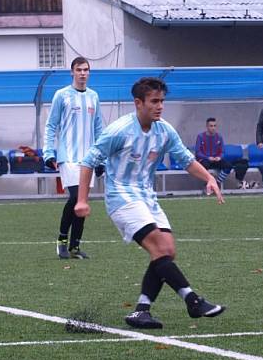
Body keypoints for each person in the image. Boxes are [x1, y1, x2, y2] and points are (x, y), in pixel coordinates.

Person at [74, 77, 225, 330]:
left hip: (147, 197)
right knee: (160, 249)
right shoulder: (119, 130)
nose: (160, 106)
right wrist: (81, 200)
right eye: (154, 101)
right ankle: (193, 300)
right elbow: (88, 161)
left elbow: (186, 160)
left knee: (167, 250)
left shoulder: (164, 130)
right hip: (121, 197)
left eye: (162, 101)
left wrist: (209, 177)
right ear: (138, 103)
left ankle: (141, 311)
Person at [43, 56, 103, 260]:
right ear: (72, 72)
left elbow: (98, 128)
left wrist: (101, 158)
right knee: (76, 197)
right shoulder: (62, 95)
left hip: (89, 159)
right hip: (67, 156)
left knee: (82, 202)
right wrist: (48, 152)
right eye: (79, 70)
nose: (83, 73)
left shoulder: (94, 96)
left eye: (86, 70)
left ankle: (75, 246)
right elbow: (51, 125)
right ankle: (61, 240)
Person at [195, 117, 249, 189]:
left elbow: (222, 151)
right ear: (207, 127)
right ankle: (208, 183)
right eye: (211, 126)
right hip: (205, 160)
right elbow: (198, 152)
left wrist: (219, 157)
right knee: (203, 166)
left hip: (216, 160)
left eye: (214, 126)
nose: (213, 128)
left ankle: (217, 183)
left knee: (228, 166)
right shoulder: (200, 137)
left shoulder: (219, 137)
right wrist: (207, 157)